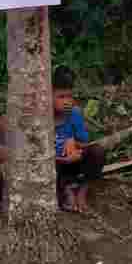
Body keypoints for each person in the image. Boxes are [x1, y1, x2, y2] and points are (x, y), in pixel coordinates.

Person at [53, 67, 105, 213]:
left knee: (97, 151)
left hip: (73, 162)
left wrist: (73, 142)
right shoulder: (43, 119)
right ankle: (65, 192)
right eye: (61, 97)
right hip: (54, 165)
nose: (66, 101)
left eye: (69, 96)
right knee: (54, 169)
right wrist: (62, 158)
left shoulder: (74, 113)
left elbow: (83, 143)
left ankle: (82, 193)